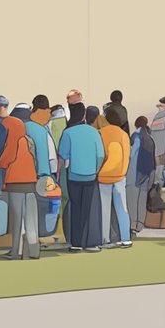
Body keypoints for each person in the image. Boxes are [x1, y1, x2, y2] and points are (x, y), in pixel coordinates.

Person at [58, 102, 105, 253]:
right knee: (88, 209)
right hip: (91, 176)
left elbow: (63, 154)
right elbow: (100, 155)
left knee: (75, 209)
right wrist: (95, 170)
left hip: (74, 176)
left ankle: (76, 243)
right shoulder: (94, 133)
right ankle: (89, 242)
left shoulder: (68, 133)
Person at [0, 106, 41, 260]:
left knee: (17, 220)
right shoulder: (29, 141)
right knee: (30, 219)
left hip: (15, 183)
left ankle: (17, 251)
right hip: (30, 182)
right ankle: (33, 250)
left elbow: (4, 162)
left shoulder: (12, 141)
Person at [98, 105, 132, 248]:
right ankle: (126, 238)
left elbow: (99, 155)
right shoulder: (124, 135)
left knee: (104, 209)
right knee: (122, 208)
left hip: (103, 176)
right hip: (120, 175)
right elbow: (127, 155)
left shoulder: (101, 133)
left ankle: (105, 239)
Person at [127, 115, 155, 234]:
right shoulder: (150, 138)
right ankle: (140, 223)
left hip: (134, 171)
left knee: (132, 198)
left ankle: (132, 223)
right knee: (142, 199)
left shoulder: (136, 136)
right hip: (146, 173)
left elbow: (132, 154)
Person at [150, 97, 165, 166]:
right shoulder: (157, 117)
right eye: (159, 106)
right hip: (157, 151)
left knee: (162, 172)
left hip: (163, 153)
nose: (159, 108)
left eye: (161, 106)